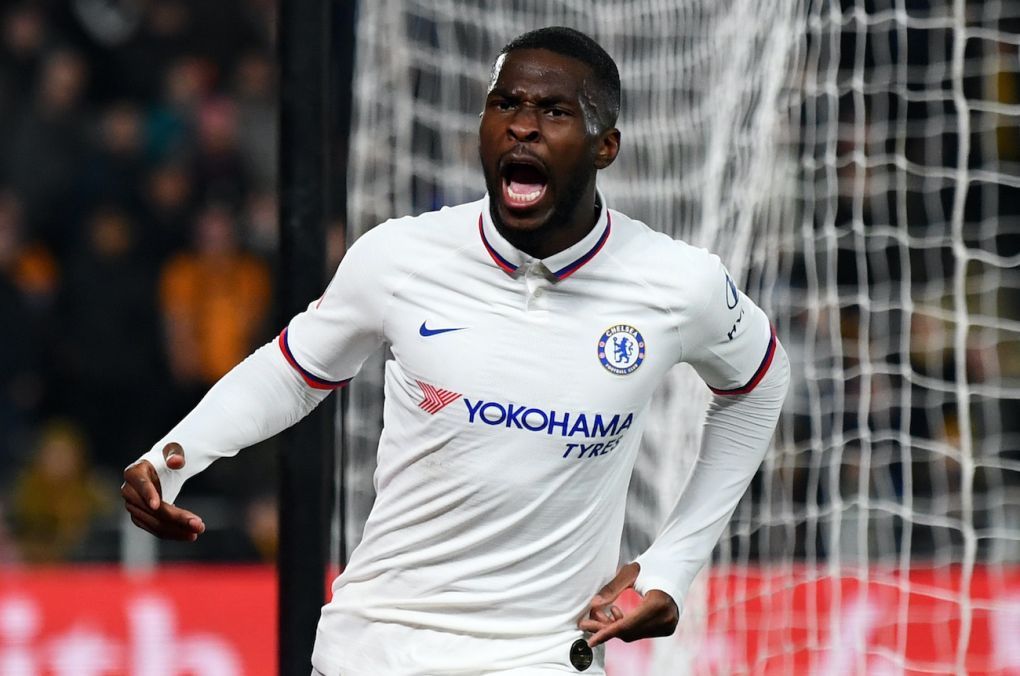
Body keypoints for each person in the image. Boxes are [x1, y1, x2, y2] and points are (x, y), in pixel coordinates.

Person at [121, 27, 790, 675]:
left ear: (605, 146)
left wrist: (673, 563)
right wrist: (175, 455)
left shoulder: (679, 284)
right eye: (506, 105)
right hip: (373, 652)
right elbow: (293, 372)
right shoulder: (400, 256)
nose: (522, 126)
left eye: (553, 111)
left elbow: (759, 387)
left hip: (539, 658)